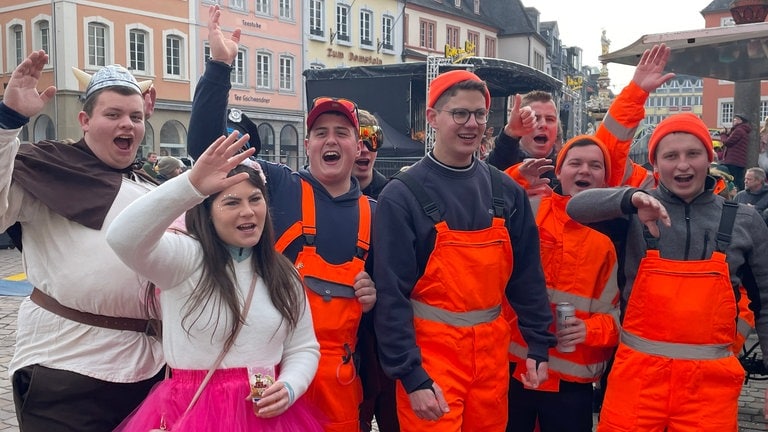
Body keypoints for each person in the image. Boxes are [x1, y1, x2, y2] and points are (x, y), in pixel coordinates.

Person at [186, 6, 376, 431]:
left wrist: (375, 294)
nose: (331, 140)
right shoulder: (279, 186)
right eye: (321, 133)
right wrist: (219, 67)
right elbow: (207, 153)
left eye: (341, 133)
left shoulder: (375, 215)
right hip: (275, 383)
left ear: (357, 146)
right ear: (307, 145)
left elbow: (397, 305)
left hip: (344, 386)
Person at [373, 69, 555, 431]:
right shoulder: (402, 195)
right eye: (459, 113)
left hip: (490, 358)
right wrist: (411, 376)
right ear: (432, 118)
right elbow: (390, 295)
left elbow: (527, 279)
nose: (471, 124)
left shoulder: (506, 192)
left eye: (480, 114)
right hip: (431, 362)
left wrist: (538, 343)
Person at [106, 133, 323, 431]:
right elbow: (122, 237)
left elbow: (303, 348)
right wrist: (190, 185)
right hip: (193, 412)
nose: (247, 211)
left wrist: (289, 386)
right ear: (206, 213)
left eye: (255, 199)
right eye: (231, 202)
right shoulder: (183, 260)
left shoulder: (284, 274)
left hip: (267, 417)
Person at [566, 112, 768, 431]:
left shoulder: (745, 221)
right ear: (655, 165)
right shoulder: (633, 212)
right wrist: (630, 199)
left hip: (709, 390)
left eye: (693, 154)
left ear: (710, 157)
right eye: (670, 156)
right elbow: (576, 207)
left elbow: (766, 302)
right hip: (637, 383)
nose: (683, 165)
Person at [2, 52, 165, 431]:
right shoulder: (47, 168)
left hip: (150, 370)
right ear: (85, 121)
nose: (127, 124)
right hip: (66, 370)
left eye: (135, 117)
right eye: (113, 114)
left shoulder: (150, 184)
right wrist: (8, 123)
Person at [504, 135, 620, 432]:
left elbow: (618, 320)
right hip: (515, 370)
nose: (584, 171)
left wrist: (589, 330)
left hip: (571, 386)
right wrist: (518, 177)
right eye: (575, 163)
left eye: (595, 166)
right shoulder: (532, 210)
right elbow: (490, 201)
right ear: (558, 171)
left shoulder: (608, 243)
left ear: (605, 180)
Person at [354, 109, 399, 432]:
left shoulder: (394, 196)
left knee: (394, 418)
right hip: (343, 333)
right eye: (358, 140)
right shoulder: (311, 195)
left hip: (386, 333)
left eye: (373, 140)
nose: (365, 149)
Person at [354, 109, 388, 199]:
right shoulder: (323, 195)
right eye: (357, 143)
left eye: (372, 142)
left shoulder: (392, 195)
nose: (364, 149)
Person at [720, 113, 752, 190]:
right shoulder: (743, 130)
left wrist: (723, 134)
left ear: (740, 121)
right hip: (738, 161)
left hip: (733, 161)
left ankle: (735, 197)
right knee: (738, 181)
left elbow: (728, 143)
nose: (734, 120)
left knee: (734, 181)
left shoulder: (739, 130)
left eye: (736, 119)